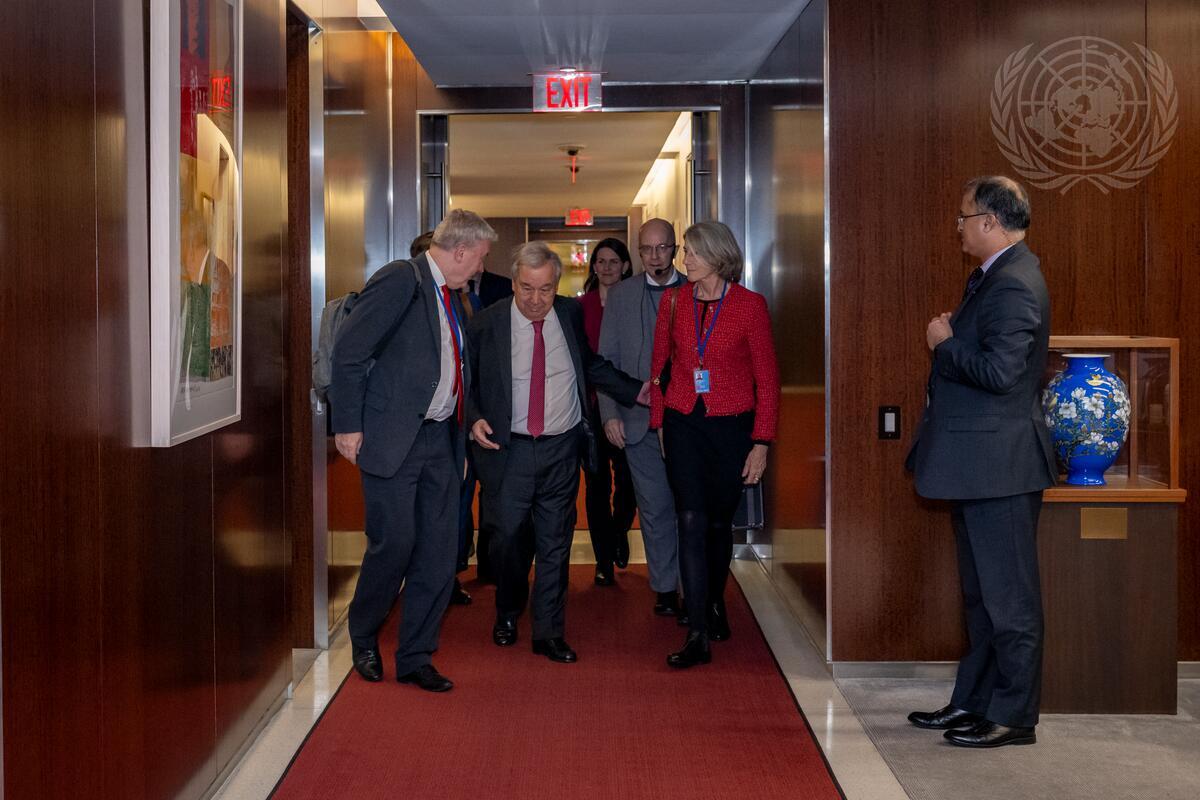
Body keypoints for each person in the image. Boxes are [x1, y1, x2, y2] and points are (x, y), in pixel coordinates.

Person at [905, 176, 1055, 748]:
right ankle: (974, 702)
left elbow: (1000, 373)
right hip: (980, 466)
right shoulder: (994, 275)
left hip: (1003, 468)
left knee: (1010, 601)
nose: (958, 227)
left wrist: (945, 343)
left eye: (964, 217)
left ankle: (1013, 717)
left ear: (991, 221)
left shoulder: (1014, 282)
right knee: (982, 600)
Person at [329, 209, 496, 692]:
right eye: (480, 257)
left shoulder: (451, 296)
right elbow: (350, 352)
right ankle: (364, 636)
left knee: (440, 553)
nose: (481, 267)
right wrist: (347, 425)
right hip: (393, 438)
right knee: (395, 544)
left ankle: (416, 655)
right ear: (460, 251)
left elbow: (454, 367)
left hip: (441, 439)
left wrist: (465, 424)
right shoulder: (401, 279)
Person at [466, 241, 647, 664]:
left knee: (555, 541)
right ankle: (509, 608)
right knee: (506, 539)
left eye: (545, 289)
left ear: (557, 286)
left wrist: (636, 391)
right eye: (527, 289)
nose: (536, 300)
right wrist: (473, 418)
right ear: (514, 283)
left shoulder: (569, 313)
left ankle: (548, 631)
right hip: (508, 449)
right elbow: (466, 380)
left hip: (560, 447)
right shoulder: (488, 323)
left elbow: (590, 365)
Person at [649, 221, 780, 669]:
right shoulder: (673, 302)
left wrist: (761, 441)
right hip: (683, 422)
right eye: (685, 251)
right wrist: (659, 422)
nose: (684, 259)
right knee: (689, 518)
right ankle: (698, 632)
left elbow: (768, 380)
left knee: (718, 523)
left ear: (717, 256)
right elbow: (659, 369)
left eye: (691, 252)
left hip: (731, 427)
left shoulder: (749, 306)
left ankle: (714, 599)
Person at [598, 219, 685, 617]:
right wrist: (610, 414)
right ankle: (665, 586)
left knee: (688, 508)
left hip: (687, 424)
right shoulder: (621, 295)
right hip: (637, 420)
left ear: (674, 249)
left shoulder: (696, 290)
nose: (654, 256)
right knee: (654, 508)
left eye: (662, 248)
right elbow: (607, 361)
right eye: (647, 249)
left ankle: (692, 585)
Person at [409, 230, 473, 607]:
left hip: (452, 425)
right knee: (416, 518)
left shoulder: (459, 302)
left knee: (451, 511)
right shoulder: (407, 300)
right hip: (414, 430)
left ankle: (446, 577)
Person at [579, 238, 637, 586]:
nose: (606, 267)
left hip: (629, 405)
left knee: (629, 482)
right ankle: (603, 559)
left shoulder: (635, 303)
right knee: (597, 484)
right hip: (590, 409)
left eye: (613, 261)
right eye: (600, 261)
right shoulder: (579, 307)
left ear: (626, 266)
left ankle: (619, 530)